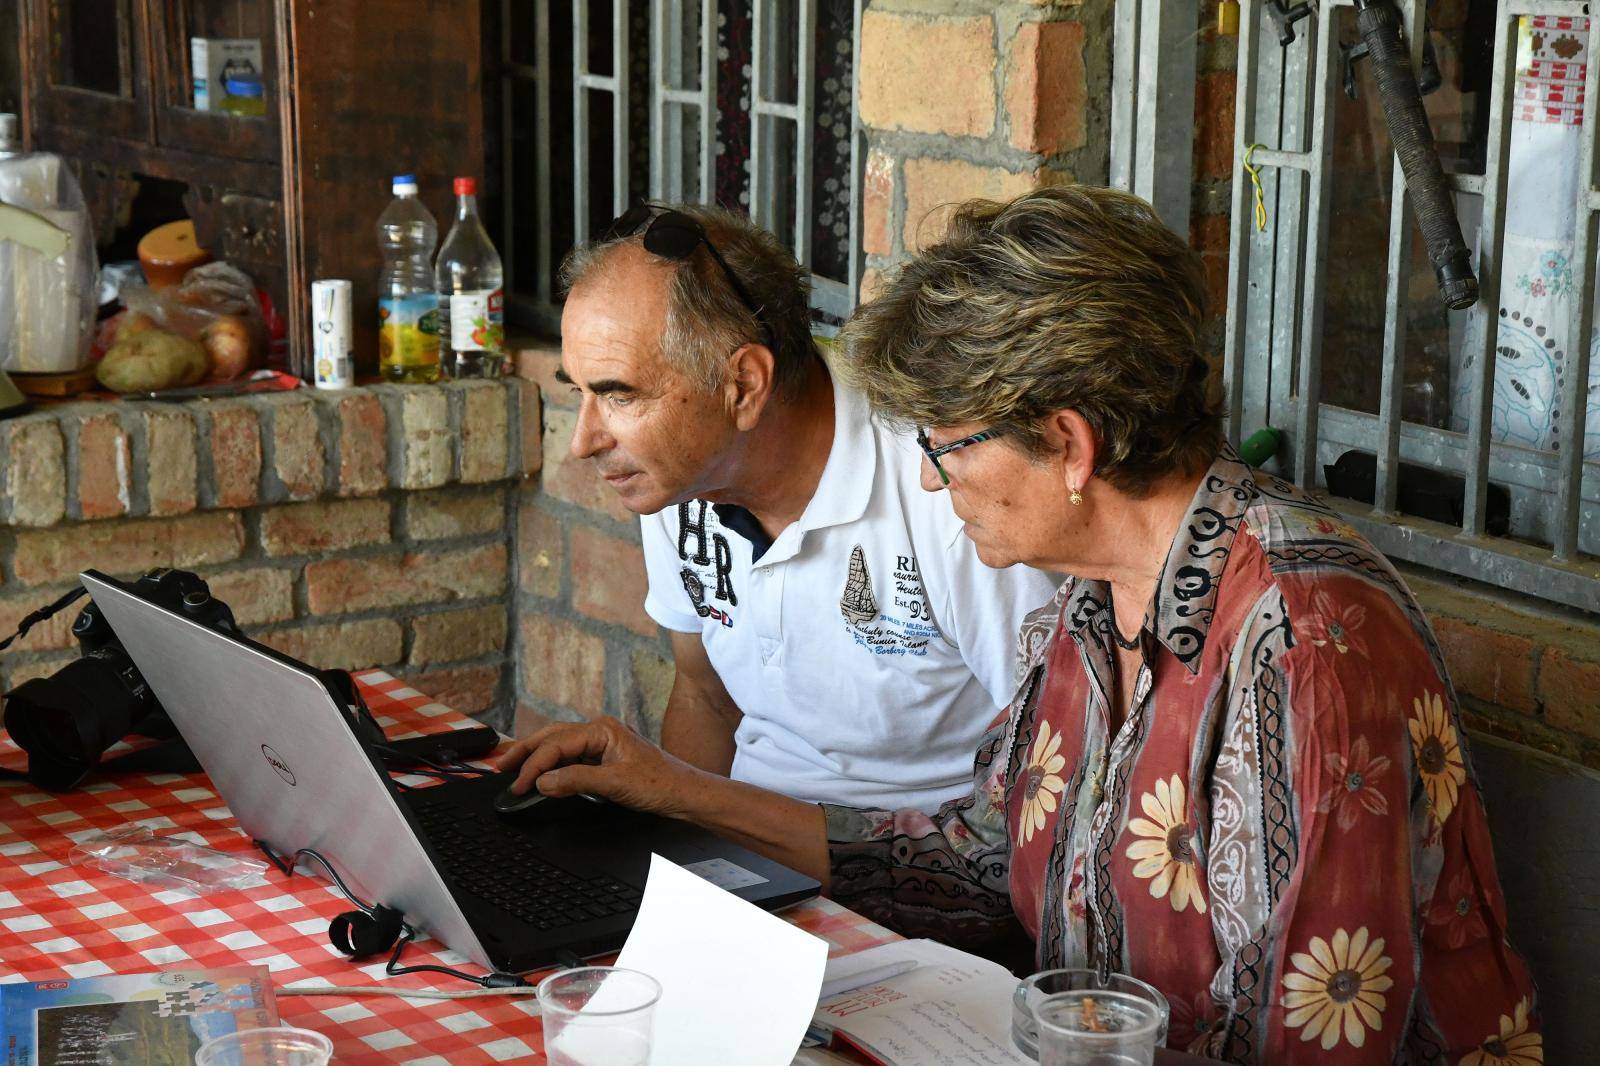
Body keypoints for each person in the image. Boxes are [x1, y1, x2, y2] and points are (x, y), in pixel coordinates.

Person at [505, 186, 1538, 1062]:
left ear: (1069, 444)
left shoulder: (1299, 644)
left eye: (947, 443)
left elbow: (1299, 1040)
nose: (924, 474)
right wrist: (670, 791)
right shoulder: (1085, 605)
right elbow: (969, 866)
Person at [551, 202, 1057, 812]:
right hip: (752, 850)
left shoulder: (947, 485)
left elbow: (1049, 767)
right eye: (578, 391)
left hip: (921, 874)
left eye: (619, 396)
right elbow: (704, 696)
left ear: (742, 386)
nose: (584, 442)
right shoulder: (676, 478)